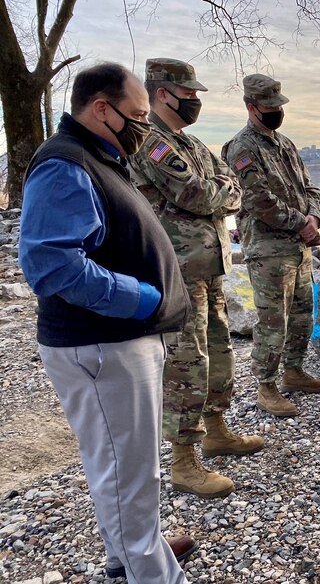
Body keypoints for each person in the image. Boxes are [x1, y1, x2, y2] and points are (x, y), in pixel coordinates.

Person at [19, 62, 197, 584]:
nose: (146, 126)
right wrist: (141, 298)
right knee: (129, 471)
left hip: (115, 343)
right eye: (138, 115)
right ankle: (152, 573)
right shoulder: (64, 164)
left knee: (122, 462)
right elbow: (52, 264)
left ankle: (131, 552)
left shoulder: (96, 157)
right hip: (103, 344)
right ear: (102, 108)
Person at [128, 58, 264, 499]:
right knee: (187, 364)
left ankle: (217, 430)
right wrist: (221, 191)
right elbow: (198, 193)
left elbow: (230, 183)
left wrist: (221, 190)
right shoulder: (151, 143)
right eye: (190, 95)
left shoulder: (192, 145)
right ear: (163, 93)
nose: (196, 102)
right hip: (177, 272)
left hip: (209, 269)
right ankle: (183, 462)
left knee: (219, 353)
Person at [222, 73, 320, 418]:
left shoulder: (285, 144)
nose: (276, 111)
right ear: (252, 107)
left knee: (302, 315)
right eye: (269, 106)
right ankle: (266, 387)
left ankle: (294, 371)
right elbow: (257, 200)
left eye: (278, 106)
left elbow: (311, 189)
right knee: (273, 321)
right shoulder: (241, 148)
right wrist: (302, 225)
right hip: (269, 251)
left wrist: (315, 219)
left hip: (300, 248)